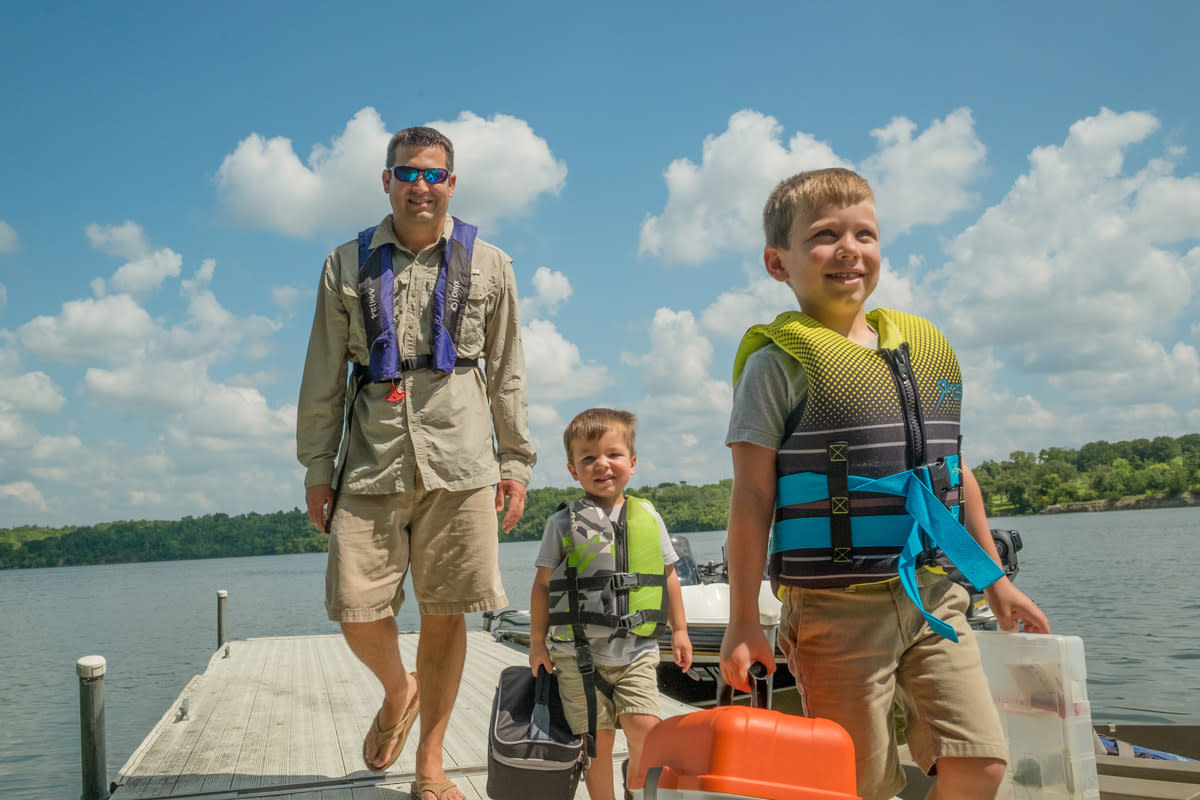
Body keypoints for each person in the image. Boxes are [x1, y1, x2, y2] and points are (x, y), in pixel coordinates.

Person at [718, 168, 1050, 800]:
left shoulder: (920, 350)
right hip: (836, 610)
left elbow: (953, 479)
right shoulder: (774, 366)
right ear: (776, 262)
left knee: (980, 760)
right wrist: (742, 621)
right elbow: (752, 497)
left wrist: (996, 583)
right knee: (857, 782)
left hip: (937, 599)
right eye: (824, 235)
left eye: (864, 233)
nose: (849, 248)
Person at [297, 126, 535, 800]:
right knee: (352, 603)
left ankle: (430, 766)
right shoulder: (345, 264)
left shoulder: (489, 264)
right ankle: (398, 688)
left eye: (434, 175)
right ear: (387, 180)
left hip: (462, 462)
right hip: (370, 459)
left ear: (451, 184)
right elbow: (322, 374)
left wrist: (515, 462)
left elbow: (508, 370)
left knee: (448, 610)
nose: (421, 186)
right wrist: (318, 467)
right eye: (408, 173)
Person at [528, 408, 692, 800]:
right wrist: (537, 643)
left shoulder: (648, 515)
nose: (602, 464)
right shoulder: (562, 524)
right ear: (573, 470)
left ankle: (637, 791)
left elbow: (669, 576)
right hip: (578, 655)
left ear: (632, 463)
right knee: (595, 744)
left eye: (613, 454)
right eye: (588, 458)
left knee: (646, 732)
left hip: (637, 651)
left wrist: (681, 631)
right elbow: (541, 585)